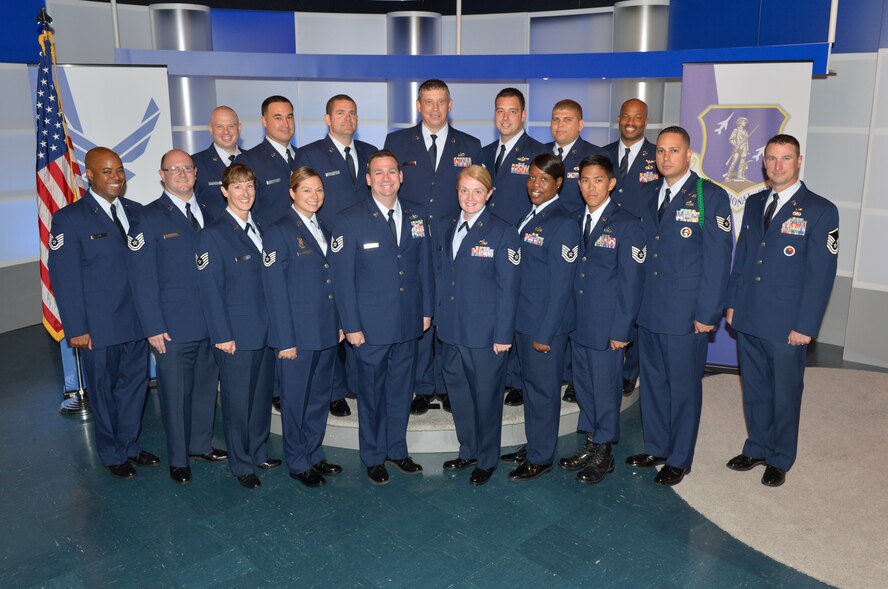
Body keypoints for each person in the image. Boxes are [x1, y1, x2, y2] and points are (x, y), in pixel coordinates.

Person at [725, 134, 838, 487]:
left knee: (785, 392)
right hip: (750, 313)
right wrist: (732, 302)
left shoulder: (821, 210)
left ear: (799, 161)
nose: (777, 165)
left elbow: (821, 275)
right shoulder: (757, 202)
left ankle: (780, 456)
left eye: (785, 159)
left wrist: (806, 325)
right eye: (771, 159)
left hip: (788, 322)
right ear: (764, 163)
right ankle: (757, 446)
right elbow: (743, 257)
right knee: (754, 387)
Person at [626, 126, 733, 486]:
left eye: (674, 151)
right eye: (661, 152)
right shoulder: (649, 194)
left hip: (687, 315)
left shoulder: (708, 196)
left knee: (684, 388)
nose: (666, 157)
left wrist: (708, 314)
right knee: (653, 383)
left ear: (689, 155)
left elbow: (718, 260)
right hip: (651, 310)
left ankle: (680, 457)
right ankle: (656, 446)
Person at [48, 147, 158, 479]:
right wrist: (76, 328)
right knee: (104, 391)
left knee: (134, 387)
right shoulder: (69, 219)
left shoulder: (137, 212)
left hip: (138, 321)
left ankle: (130, 445)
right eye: (107, 171)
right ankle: (112, 453)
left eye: (119, 170)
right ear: (90, 175)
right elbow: (64, 279)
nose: (115, 177)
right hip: (99, 326)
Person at [330, 150, 434, 485]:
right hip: (369, 328)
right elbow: (342, 280)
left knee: (400, 392)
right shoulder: (349, 219)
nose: (386, 178)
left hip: (408, 322)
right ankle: (373, 456)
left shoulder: (417, 215)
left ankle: (396, 450)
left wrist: (427, 309)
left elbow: (425, 268)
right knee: (372, 395)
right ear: (368, 178)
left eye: (392, 171)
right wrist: (351, 325)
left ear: (401, 177)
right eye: (379, 172)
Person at [384, 79, 482, 415]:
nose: (435, 108)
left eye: (441, 101)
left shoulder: (471, 144)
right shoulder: (396, 141)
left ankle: (448, 384)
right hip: (412, 241)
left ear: (450, 105)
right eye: (429, 101)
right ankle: (423, 386)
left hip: (456, 242)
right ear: (419, 105)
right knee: (421, 310)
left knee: (451, 312)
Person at [130, 149, 227, 484]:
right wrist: (153, 326)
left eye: (187, 167)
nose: (182, 173)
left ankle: (200, 444)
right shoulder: (147, 218)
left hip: (212, 322)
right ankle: (178, 458)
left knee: (204, 388)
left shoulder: (213, 210)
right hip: (172, 326)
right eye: (174, 169)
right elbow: (142, 279)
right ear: (162, 175)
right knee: (174, 394)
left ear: (196, 172)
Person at [560, 155, 645, 484]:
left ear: (611, 183)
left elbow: (631, 283)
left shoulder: (626, 224)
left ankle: (604, 452)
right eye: (584, 180)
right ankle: (590, 441)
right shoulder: (574, 219)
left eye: (597, 180)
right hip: (578, 324)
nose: (590, 186)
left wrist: (622, 330)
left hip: (608, 326)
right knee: (584, 387)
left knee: (605, 390)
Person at [435, 165, 520, 486]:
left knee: (486, 397)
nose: (470, 197)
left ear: (489, 194)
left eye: (477, 191)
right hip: (452, 330)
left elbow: (509, 288)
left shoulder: (502, 232)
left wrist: (503, 334)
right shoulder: (446, 226)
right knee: (459, 395)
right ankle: (468, 448)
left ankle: (487, 458)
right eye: (464, 190)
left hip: (486, 335)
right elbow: (443, 276)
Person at [294, 94, 378, 418]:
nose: (347, 118)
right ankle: (334, 390)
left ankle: (359, 383)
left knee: (358, 318)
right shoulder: (310, 153)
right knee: (332, 322)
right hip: (327, 250)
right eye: (340, 113)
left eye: (352, 113)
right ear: (327, 118)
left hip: (368, 252)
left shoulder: (370, 153)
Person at [196, 163, 280, 489]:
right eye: (238, 187)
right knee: (237, 403)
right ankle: (241, 463)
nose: (246, 193)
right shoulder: (213, 235)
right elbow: (210, 291)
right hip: (236, 336)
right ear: (224, 191)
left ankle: (258, 451)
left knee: (260, 399)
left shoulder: (262, 227)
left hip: (266, 331)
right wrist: (222, 335)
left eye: (250, 187)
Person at [500, 153, 580, 482]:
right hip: (523, 321)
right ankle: (534, 445)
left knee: (544, 392)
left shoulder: (563, 222)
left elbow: (562, 287)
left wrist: (545, 334)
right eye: (532, 177)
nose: (535, 185)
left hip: (544, 326)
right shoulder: (530, 215)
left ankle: (541, 456)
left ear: (558, 183)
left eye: (543, 180)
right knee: (531, 390)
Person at [263, 167, 345, 488]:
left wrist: (339, 323)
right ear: (292, 193)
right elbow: (275, 290)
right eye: (307, 190)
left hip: (325, 331)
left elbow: (331, 280)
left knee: (318, 398)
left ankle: (313, 452)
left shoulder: (324, 227)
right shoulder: (279, 230)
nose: (314, 196)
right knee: (296, 400)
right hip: (296, 335)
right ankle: (297, 461)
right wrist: (285, 339)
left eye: (319, 190)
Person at [481, 87, 547, 408]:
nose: (505, 117)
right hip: (485, 245)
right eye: (499, 111)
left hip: (521, 246)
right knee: (493, 308)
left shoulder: (538, 152)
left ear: (523, 115)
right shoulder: (484, 152)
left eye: (511, 111)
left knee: (518, 310)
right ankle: (497, 376)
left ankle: (519, 380)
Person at [605, 98, 660, 397]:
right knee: (608, 305)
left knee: (635, 309)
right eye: (626, 115)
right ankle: (607, 365)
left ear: (645, 121)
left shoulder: (658, 157)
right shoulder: (602, 155)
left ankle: (630, 371)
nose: (630, 121)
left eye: (637, 117)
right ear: (618, 118)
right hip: (604, 243)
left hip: (641, 245)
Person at [236, 95, 298, 225]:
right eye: (278, 118)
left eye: (289, 117)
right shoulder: (248, 161)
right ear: (264, 121)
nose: (286, 124)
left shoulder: (304, 156)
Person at [545, 99, 602, 215]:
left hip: (578, 227)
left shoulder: (596, 155)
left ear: (580, 125)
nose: (560, 125)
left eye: (567, 120)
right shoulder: (540, 152)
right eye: (555, 120)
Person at [191, 105, 242, 208]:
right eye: (219, 126)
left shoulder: (255, 160)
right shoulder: (194, 164)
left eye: (231, 126)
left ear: (239, 128)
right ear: (210, 129)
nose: (226, 131)